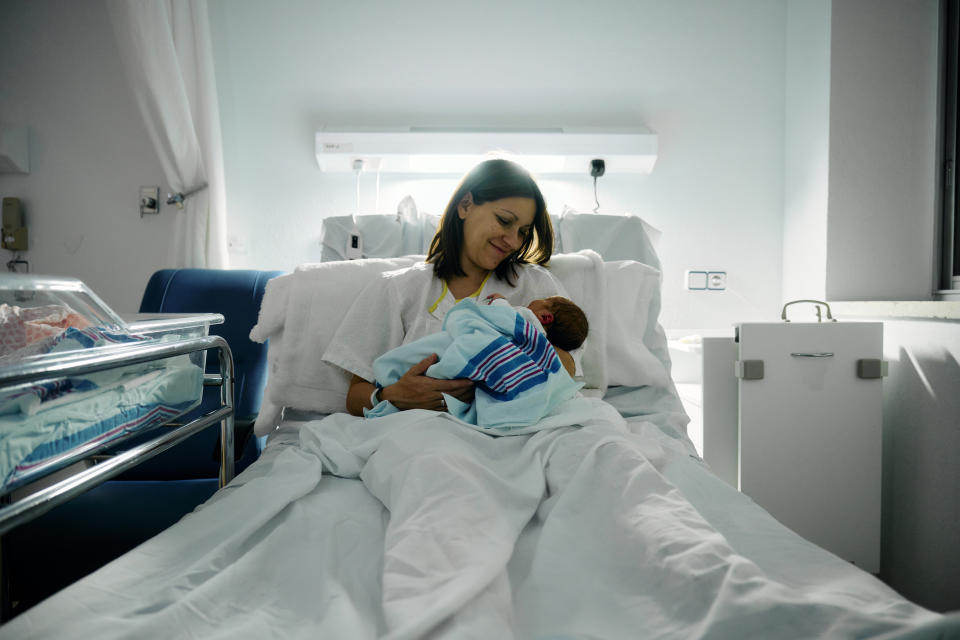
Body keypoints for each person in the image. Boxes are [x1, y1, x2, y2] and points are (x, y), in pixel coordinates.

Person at [323, 158, 568, 417]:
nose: (513, 241)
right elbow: (355, 398)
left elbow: (567, 370)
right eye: (505, 221)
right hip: (418, 436)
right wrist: (393, 396)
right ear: (465, 205)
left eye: (523, 232)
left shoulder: (538, 288)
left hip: (514, 434)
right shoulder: (397, 289)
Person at [364, 294, 588, 427]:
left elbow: (504, 317)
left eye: (543, 300)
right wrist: (394, 394)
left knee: (429, 354)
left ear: (546, 317)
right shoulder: (399, 287)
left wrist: (501, 301)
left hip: (466, 355)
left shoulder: (527, 322)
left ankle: (389, 373)